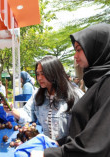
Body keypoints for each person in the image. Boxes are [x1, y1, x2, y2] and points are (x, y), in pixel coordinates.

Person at [33, 23, 110, 157]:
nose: (75, 55)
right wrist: (60, 143)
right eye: (37, 74)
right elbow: (85, 131)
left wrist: (49, 154)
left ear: (97, 49)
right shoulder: (97, 83)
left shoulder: (107, 85)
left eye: (79, 49)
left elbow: (95, 145)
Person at [4, 56, 84, 141]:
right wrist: (12, 110)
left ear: (54, 73)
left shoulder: (75, 95)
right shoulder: (38, 95)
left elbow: (85, 128)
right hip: (48, 149)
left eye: (43, 74)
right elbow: (27, 113)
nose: (39, 78)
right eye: (37, 74)